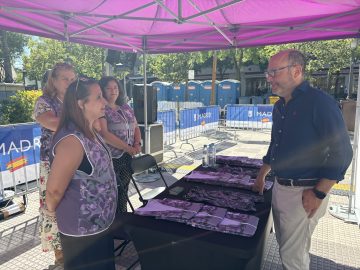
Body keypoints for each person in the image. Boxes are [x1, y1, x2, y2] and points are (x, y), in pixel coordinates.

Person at [253, 49, 353, 270]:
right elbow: (276, 146)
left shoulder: (320, 103)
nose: (268, 78)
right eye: (267, 72)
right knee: (288, 248)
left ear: (296, 71)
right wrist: (262, 175)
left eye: (274, 72)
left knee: (292, 258)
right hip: (281, 188)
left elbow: (343, 152)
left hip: (304, 192)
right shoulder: (280, 106)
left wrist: (318, 193)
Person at [45, 78, 117, 270]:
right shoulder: (72, 140)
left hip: (98, 226)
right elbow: (53, 191)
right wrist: (52, 213)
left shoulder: (89, 131)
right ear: (81, 104)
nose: (104, 102)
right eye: (98, 97)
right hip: (82, 232)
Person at [33, 62, 76, 264]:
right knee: (53, 204)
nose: (69, 82)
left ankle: (74, 245)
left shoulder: (75, 101)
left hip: (75, 160)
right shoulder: (44, 101)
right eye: (64, 78)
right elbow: (50, 123)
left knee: (72, 202)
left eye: (72, 79)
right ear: (54, 80)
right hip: (52, 161)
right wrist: (81, 121)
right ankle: (59, 254)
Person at [98, 76, 141, 213]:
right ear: (102, 90)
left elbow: (136, 127)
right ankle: (115, 223)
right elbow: (105, 134)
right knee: (112, 195)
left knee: (123, 193)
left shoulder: (125, 107)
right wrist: (128, 148)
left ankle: (123, 219)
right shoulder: (101, 109)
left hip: (127, 157)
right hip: (112, 159)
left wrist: (137, 144)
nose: (113, 91)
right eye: (109, 88)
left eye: (115, 87)